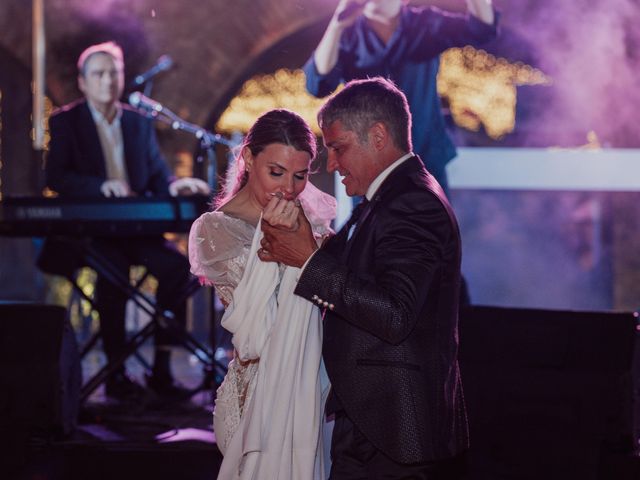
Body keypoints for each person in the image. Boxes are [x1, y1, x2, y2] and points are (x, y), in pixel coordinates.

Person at [259, 78, 467, 479]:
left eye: (338, 148)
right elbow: (361, 266)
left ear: (377, 136)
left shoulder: (412, 202)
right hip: (375, 423)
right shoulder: (388, 198)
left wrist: (307, 260)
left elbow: (394, 314)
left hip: (397, 436)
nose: (332, 164)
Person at [45, 41, 210, 400]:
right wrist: (99, 186)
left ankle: (162, 371)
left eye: (113, 72)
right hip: (94, 232)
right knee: (112, 276)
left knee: (177, 270)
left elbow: (156, 177)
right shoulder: (65, 122)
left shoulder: (138, 123)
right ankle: (116, 374)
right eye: (99, 73)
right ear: (84, 82)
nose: (107, 80)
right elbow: (55, 178)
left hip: (137, 228)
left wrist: (175, 184)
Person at [188, 109, 336, 479]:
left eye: (299, 176)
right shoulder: (216, 230)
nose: (287, 188)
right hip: (254, 395)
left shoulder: (312, 224)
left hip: (311, 389)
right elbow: (256, 325)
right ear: (249, 158)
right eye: (276, 172)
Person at [303, 0, 497, 196]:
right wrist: (337, 25)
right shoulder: (348, 35)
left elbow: (481, 29)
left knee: (429, 222)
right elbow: (317, 85)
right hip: (370, 162)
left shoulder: (426, 24)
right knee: (376, 225)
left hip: (425, 155)